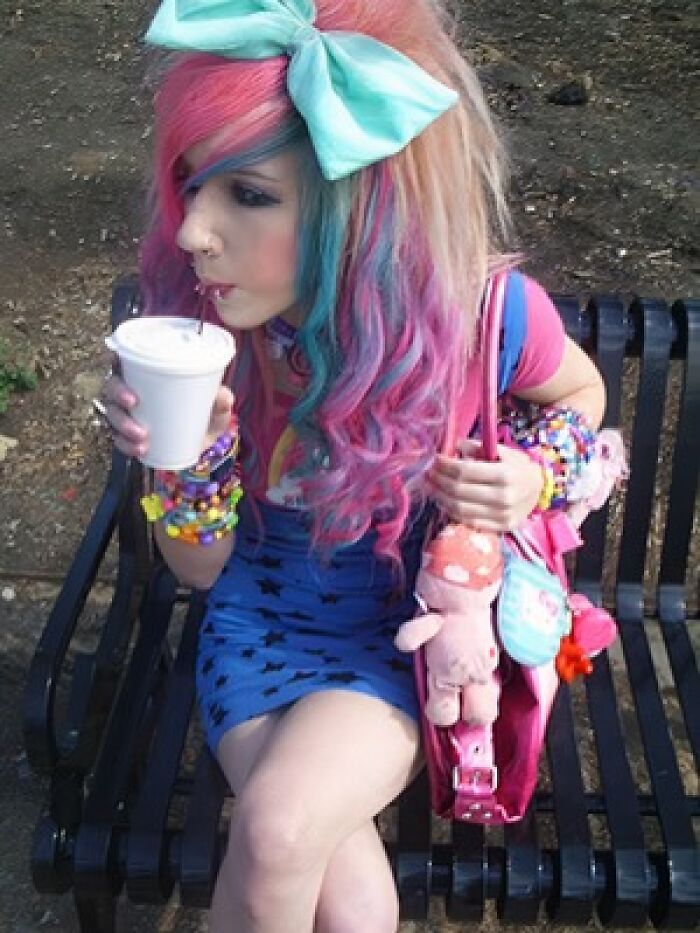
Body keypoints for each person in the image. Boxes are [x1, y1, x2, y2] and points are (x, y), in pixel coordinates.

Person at [100, 1, 606, 930]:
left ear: (361, 206)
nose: (191, 232)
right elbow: (201, 571)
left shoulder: (481, 315)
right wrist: (191, 455)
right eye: (190, 184)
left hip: (399, 623)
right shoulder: (206, 327)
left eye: (248, 194)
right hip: (254, 620)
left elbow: (581, 396)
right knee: (352, 897)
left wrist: (533, 474)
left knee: (284, 828)